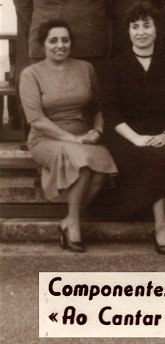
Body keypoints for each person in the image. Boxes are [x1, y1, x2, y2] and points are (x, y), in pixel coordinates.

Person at [99, 3, 165, 254]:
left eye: (146, 26)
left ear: (156, 29)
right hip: (126, 136)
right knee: (155, 156)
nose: (141, 32)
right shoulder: (115, 66)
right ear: (128, 31)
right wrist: (137, 139)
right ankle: (160, 226)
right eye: (135, 27)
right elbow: (110, 112)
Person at [20, 20, 117, 253]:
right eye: (53, 40)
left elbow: (98, 107)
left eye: (65, 40)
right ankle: (74, 227)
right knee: (81, 162)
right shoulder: (31, 74)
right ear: (43, 44)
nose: (60, 45)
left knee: (102, 166)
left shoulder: (85, 68)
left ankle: (69, 220)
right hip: (46, 138)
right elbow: (36, 120)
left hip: (82, 135)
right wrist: (72, 140)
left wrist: (97, 130)